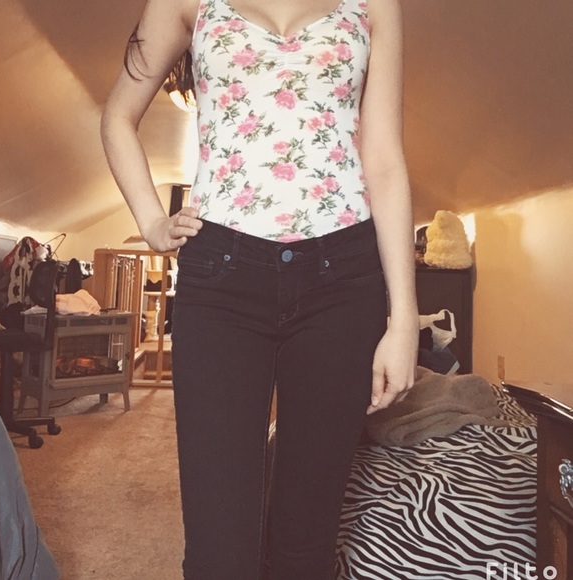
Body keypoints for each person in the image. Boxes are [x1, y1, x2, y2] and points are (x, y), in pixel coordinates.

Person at [101, 0, 419, 577]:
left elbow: (385, 159)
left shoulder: (375, 5)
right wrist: (151, 222)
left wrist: (404, 320)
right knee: (219, 551)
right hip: (221, 280)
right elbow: (118, 116)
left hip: (344, 281)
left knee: (307, 543)